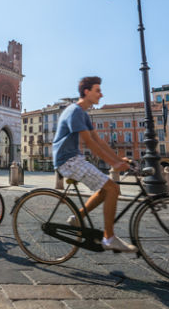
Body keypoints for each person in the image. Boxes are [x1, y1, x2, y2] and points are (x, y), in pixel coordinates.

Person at [53, 76, 137, 253]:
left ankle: (78, 217)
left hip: (73, 159)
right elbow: (89, 142)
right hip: (67, 161)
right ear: (86, 92)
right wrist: (113, 163)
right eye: (97, 90)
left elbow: (98, 140)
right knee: (112, 188)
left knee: (105, 189)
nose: (101, 94)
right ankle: (109, 238)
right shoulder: (75, 111)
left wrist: (118, 159)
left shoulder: (82, 113)